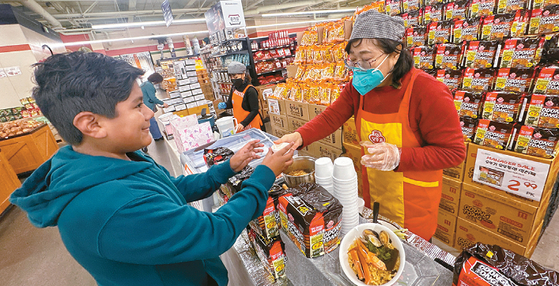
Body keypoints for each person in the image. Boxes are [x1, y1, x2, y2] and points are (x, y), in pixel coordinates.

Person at [10, 52, 295, 286]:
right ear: (92, 124)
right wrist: (263, 175)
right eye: (137, 106)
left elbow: (171, 189)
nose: (150, 112)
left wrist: (226, 168)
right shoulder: (112, 206)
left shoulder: (116, 158)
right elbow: (214, 233)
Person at [276, 10, 466, 240]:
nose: (360, 67)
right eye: (353, 59)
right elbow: (331, 117)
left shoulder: (428, 92)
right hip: (374, 193)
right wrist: (300, 136)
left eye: (367, 59)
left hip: (413, 203)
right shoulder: (359, 88)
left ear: (395, 54)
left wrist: (399, 157)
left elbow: (454, 153)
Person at [216, 61, 263, 133]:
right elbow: (231, 103)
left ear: (243, 74)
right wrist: (225, 105)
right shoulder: (234, 88)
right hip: (240, 126)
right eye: (231, 77)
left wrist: (244, 123)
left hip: (252, 126)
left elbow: (255, 110)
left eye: (235, 77)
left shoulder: (250, 90)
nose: (233, 79)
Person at [141, 72, 168, 141]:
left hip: (144, 105)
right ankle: (157, 137)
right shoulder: (149, 85)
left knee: (150, 122)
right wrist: (162, 103)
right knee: (152, 122)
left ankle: (156, 136)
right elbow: (152, 98)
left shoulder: (145, 83)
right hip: (147, 106)